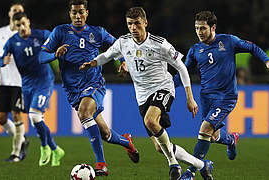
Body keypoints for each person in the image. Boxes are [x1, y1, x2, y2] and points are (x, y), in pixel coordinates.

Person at [79, 7, 213, 180]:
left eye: (137, 23)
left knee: (150, 120)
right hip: (142, 96)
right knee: (160, 146)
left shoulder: (159, 44)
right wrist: (93, 63)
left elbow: (181, 67)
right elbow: (108, 55)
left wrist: (190, 97)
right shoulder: (123, 42)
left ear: (145, 23)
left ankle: (173, 164)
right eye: (130, 24)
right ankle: (202, 165)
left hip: (163, 88)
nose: (133, 27)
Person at [173, 11, 269, 180]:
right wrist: (168, 86)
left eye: (203, 28)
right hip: (206, 97)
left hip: (226, 97)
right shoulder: (195, 50)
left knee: (205, 129)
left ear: (213, 27)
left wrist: (266, 60)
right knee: (212, 136)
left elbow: (252, 47)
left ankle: (191, 172)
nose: (199, 32)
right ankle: (230, 139)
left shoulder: (228, 41)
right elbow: (183, 73)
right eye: (196, 28)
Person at [39, 0, 139, 176]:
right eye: (74, 13)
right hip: (73, 90)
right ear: (69, 14)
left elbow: (118, 45)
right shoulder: (60, 32)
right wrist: (54, 54)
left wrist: (123, 62)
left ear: (87, 13)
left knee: (84, 113)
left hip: (94, 84)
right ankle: (127, 142)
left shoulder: (97, 32)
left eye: (81, 12)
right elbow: (41, 56)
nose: (78, 16)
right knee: (106, 134)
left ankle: (101, 164)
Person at [0, 12, 65, 167]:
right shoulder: (12, 42)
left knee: (35, 117)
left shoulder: (41, 35)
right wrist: (3, 61)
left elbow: (57, 39)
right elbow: (1, 59)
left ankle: (44, 147)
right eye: (18, 25)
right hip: (27, 85)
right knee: (36, 120)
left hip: (44, 81)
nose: (22, 27)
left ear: (28, 21)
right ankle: (56, 149)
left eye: (23, 23)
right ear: (15, 26)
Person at [0, 3, 29, 162]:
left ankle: (16, 153)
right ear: (9, 13)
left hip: (19, 81)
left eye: (20, 11)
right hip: (3, 80)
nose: (17, 12)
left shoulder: (27, 34)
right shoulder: (0, 32)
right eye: (15, 10)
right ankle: (23, 139)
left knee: (17, 114)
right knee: (1, 118)